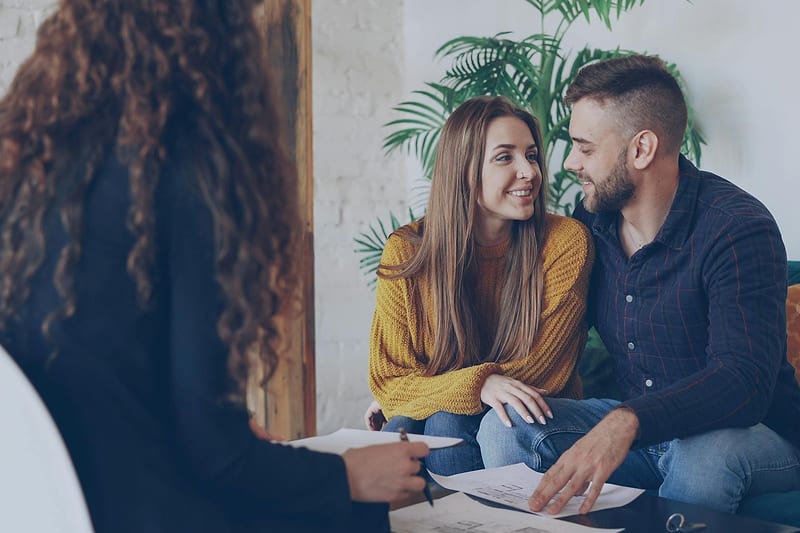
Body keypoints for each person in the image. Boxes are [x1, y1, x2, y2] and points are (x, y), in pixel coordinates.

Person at [0, 2, 429, 532]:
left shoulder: (26, 166)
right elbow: (216, 457)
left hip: (43, 504)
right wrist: (346, 476)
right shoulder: (187, 172)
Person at [477, 54, 800, 514]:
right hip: (645, 436)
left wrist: (627, 421)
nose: (569, 163)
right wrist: (434, 382)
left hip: (754, 439)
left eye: (585, 148)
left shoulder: (736, 228)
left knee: (703, 455)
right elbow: (543, 333)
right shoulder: (590, 221)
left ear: (642, 149)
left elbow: (743, 382)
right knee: (503, 426)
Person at [366, 96, 594, 475]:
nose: (529, 171)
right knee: (404, 428)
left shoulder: (565, 241)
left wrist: (452, 389)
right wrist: (478, 384)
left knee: (442, 422)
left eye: (532, 155)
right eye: (505, 157)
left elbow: (540, 373)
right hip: (443, 422)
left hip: (532, 422)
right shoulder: (407, 249)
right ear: (464, 170)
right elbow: (390, 382)